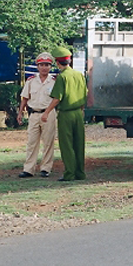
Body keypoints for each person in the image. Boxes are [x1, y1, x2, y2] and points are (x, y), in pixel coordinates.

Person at [42, 47, 87, 181]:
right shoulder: (79, 75)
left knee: (67, 144)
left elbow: (57, 98)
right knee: (79, 143)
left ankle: (69, 173)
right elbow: (85, 94)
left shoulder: (62, 77)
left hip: (66, 114)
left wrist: (46, 112)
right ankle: (80, 173)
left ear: (57, 62)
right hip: (78, 113)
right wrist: (82, 110)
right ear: (70, 60)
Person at [17, 52, 57, 178]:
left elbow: (57, 98)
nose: (44, 67)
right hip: (34, 113)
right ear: (37, 66)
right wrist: (20, 112)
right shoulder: (31, 81)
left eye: (47, 65)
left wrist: (47, 112)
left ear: (50, 67)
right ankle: (29, 169)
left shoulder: (54, 81)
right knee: (32, 142)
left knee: (48, 142)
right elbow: (25, 97)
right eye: (42, 65)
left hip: (49, 113)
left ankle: (46, 168)